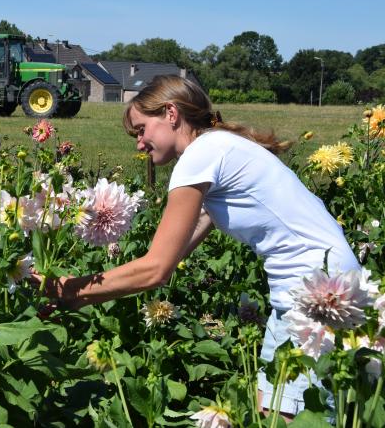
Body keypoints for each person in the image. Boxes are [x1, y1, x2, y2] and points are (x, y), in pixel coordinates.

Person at [29, 75, 360, 416]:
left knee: (290, 417)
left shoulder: (201, 155)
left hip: (316, 290)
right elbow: (172, 255)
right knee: (269, 411)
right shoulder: (219, 147)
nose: (139, 145)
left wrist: (72, 289)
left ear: (171, 114)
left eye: (141, 130)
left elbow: (155, 269)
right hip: (317, 283)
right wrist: (81, 297)